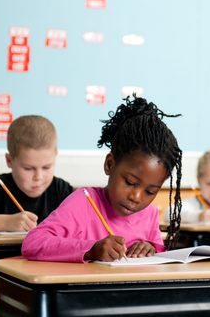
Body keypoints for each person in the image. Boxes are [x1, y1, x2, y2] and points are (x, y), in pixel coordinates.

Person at [22, 96, 183, 263]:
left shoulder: (149, 213)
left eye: (150, 191)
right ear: (110, 164)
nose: (136, 197)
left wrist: (150, 247)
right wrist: (91, 250)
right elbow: (33, 242)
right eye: (129, 182)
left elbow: (158, 252)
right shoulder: (83, 202)